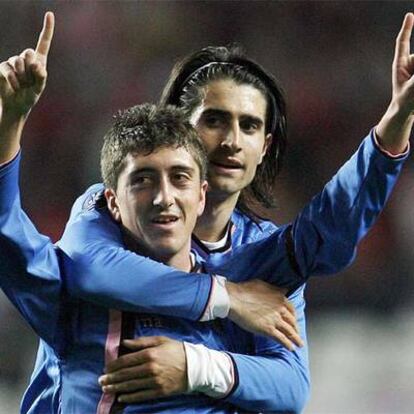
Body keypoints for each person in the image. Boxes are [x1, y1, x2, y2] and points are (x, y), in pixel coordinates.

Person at [1, 10, 412, 413]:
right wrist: (228, 297)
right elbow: (83, 264)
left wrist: (195, 366)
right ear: (180, 126)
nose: (232, 140)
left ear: (264, 147)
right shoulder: (112, 214)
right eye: (214, 119)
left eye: (249, 126)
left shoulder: (264, 256)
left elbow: (290, 384)